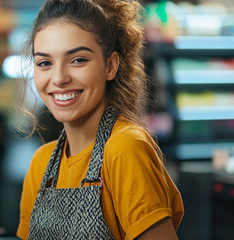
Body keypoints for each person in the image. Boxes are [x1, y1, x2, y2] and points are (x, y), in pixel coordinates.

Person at [17, 0, 184, 239]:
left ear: (110, 66)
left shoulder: (125, 148)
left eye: (78, 60)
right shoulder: (41, 165)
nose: (59, 78)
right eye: (45, 63)